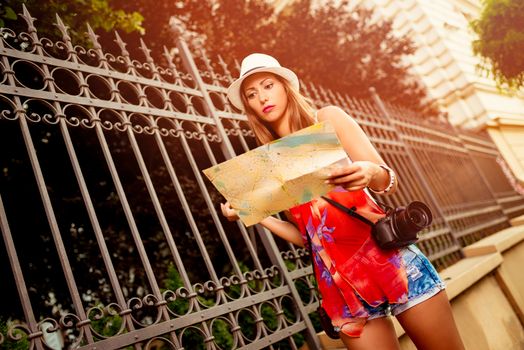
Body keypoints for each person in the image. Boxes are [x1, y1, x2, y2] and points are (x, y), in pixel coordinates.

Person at [220, 53, 464, 350]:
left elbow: (389, 179)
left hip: (394, 263)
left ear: (285, 86)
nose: (262, 98)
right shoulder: (272, 163)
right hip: (343, 289)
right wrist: (258, 216)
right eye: (252, 94)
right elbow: (310, 239)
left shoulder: (328, 119)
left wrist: (369, 172)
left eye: (268, 85)